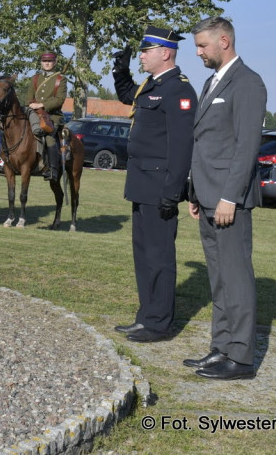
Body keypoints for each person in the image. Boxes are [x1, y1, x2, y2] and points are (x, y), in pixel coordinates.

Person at [185, 16, 267, 380]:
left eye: (202, 46)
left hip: (227, 200)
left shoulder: (247, 83)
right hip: (205, 195)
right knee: (218, 278)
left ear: (224, 41)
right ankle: (221, 348)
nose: (199, 53)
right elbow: (205, 143)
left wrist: (229, 198)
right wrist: (194, 191)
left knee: (236, 276)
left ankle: (242, 357)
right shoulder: (210, 82)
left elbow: (246, 147)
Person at [111, 25, 197, 343]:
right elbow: (126, 96)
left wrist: (173, 189)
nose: (142, 57)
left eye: (146, 51)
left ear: (165, 53)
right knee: (143, 254)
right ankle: (146, 316)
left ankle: (159, 323)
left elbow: (182, 144)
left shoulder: (179, 90)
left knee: (160, 256)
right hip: (141, 182)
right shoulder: (152, 84)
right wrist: (120, 72)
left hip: (160, 184)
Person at [21, 51, 67, 179]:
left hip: (52, 116)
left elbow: (59, 100)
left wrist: (41, 105)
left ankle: (52, 170)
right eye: (44, 61)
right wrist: (31, 105)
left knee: (49, 136)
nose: (47, 63)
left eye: (50, 61)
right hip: (34, 114)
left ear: (55, 62)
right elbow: (28, 99)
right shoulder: (35, 78)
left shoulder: (61, 79)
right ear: (41, 62)